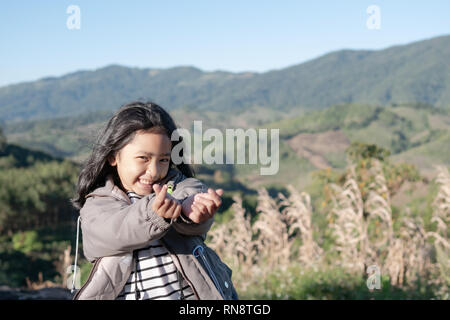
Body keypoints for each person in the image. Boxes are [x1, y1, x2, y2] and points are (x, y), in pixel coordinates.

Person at [71, 101, 238, 300]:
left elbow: (191, 196)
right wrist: (154, 215)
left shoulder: (179, 188)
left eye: (163, 160)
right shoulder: (98, 204)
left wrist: (189, 213)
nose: (154, 171)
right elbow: (111, 233)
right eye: (143, 158)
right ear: (113, 157)